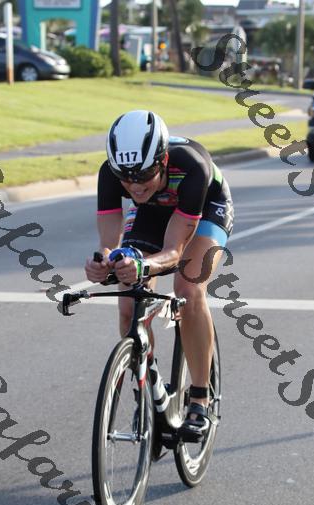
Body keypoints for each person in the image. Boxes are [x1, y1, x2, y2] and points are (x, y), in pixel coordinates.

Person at [85, 110, 234, 441]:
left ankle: (199, 398)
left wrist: (142, 265)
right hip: (152, 211)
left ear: (163, 160)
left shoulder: (193, 166)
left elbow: (174, 252)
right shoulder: (111, 173)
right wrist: (103, 263)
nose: (134, 185)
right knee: (129, 304)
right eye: (125, 178)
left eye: (144, 175)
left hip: (205, 209)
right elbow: (109, 245)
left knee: (189, 286)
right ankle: (148, 389)